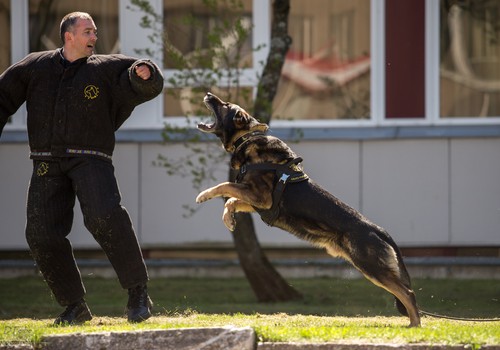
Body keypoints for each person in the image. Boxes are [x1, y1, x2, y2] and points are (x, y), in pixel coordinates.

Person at [0, 12, 164, 324]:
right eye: (88, 32)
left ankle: (137, 294)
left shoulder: (104, 68)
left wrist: (145, 73)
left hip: (91, 158)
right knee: (41, 234)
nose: (94, 38)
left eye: (95, 32)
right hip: (46, 161)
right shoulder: (35, 66)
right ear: (69, 35)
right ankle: (75, 306)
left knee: (105, 217)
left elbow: (139, 76)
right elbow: (2, 96)